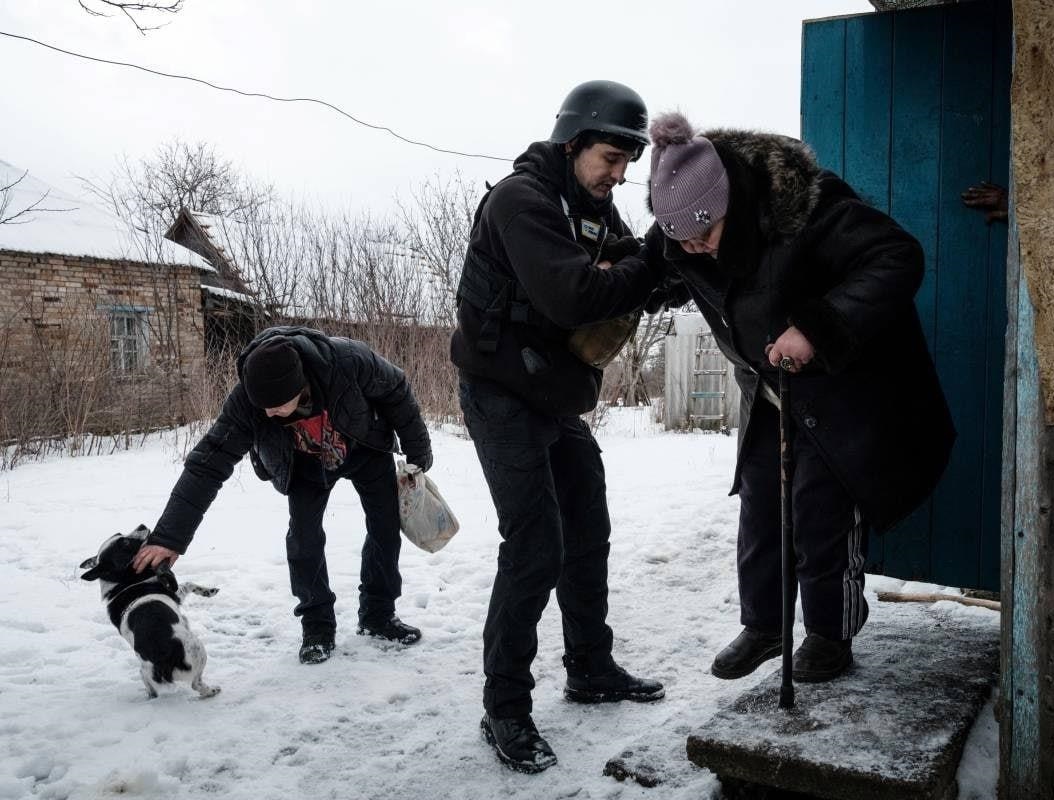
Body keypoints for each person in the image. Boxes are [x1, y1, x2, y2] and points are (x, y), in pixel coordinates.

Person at [643, 111, 955, 684]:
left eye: (704, 234)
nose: (695, 248)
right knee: (761, 504)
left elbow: (897, 256)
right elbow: (652, 269)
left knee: (819, 513)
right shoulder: (683, 237)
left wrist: (814, 328)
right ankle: (765, 626)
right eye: (681, 239)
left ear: (731, 203)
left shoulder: (808, 209)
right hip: (770, 389)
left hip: (843, 390)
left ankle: (830, 635)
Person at [450, 79, 665, 774]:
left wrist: (664, 256)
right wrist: (637, 266)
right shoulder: (522, 201)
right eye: (611, 158)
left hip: (553, 393)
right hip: (500, 392)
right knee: (535, 544)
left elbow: (636, 276)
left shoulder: (593, 209)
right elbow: (575, 295)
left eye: (628, 163)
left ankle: (591, 667)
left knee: (587, 528)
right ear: (573, 143)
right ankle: (505, 708)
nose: (619, 175)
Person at [131, 326, 433, 665]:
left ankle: (378, 615)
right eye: (262, 407)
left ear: (299, 387)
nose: (267, 414)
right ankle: (317, 628)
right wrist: (169, 537)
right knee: (304, 539)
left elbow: (396, 391)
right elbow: (207, 464)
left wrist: (418, 452)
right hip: (305, 464)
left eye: (275, 406)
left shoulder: (347, 361)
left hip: (365, 446)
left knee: (385, 526)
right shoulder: (248, 399)